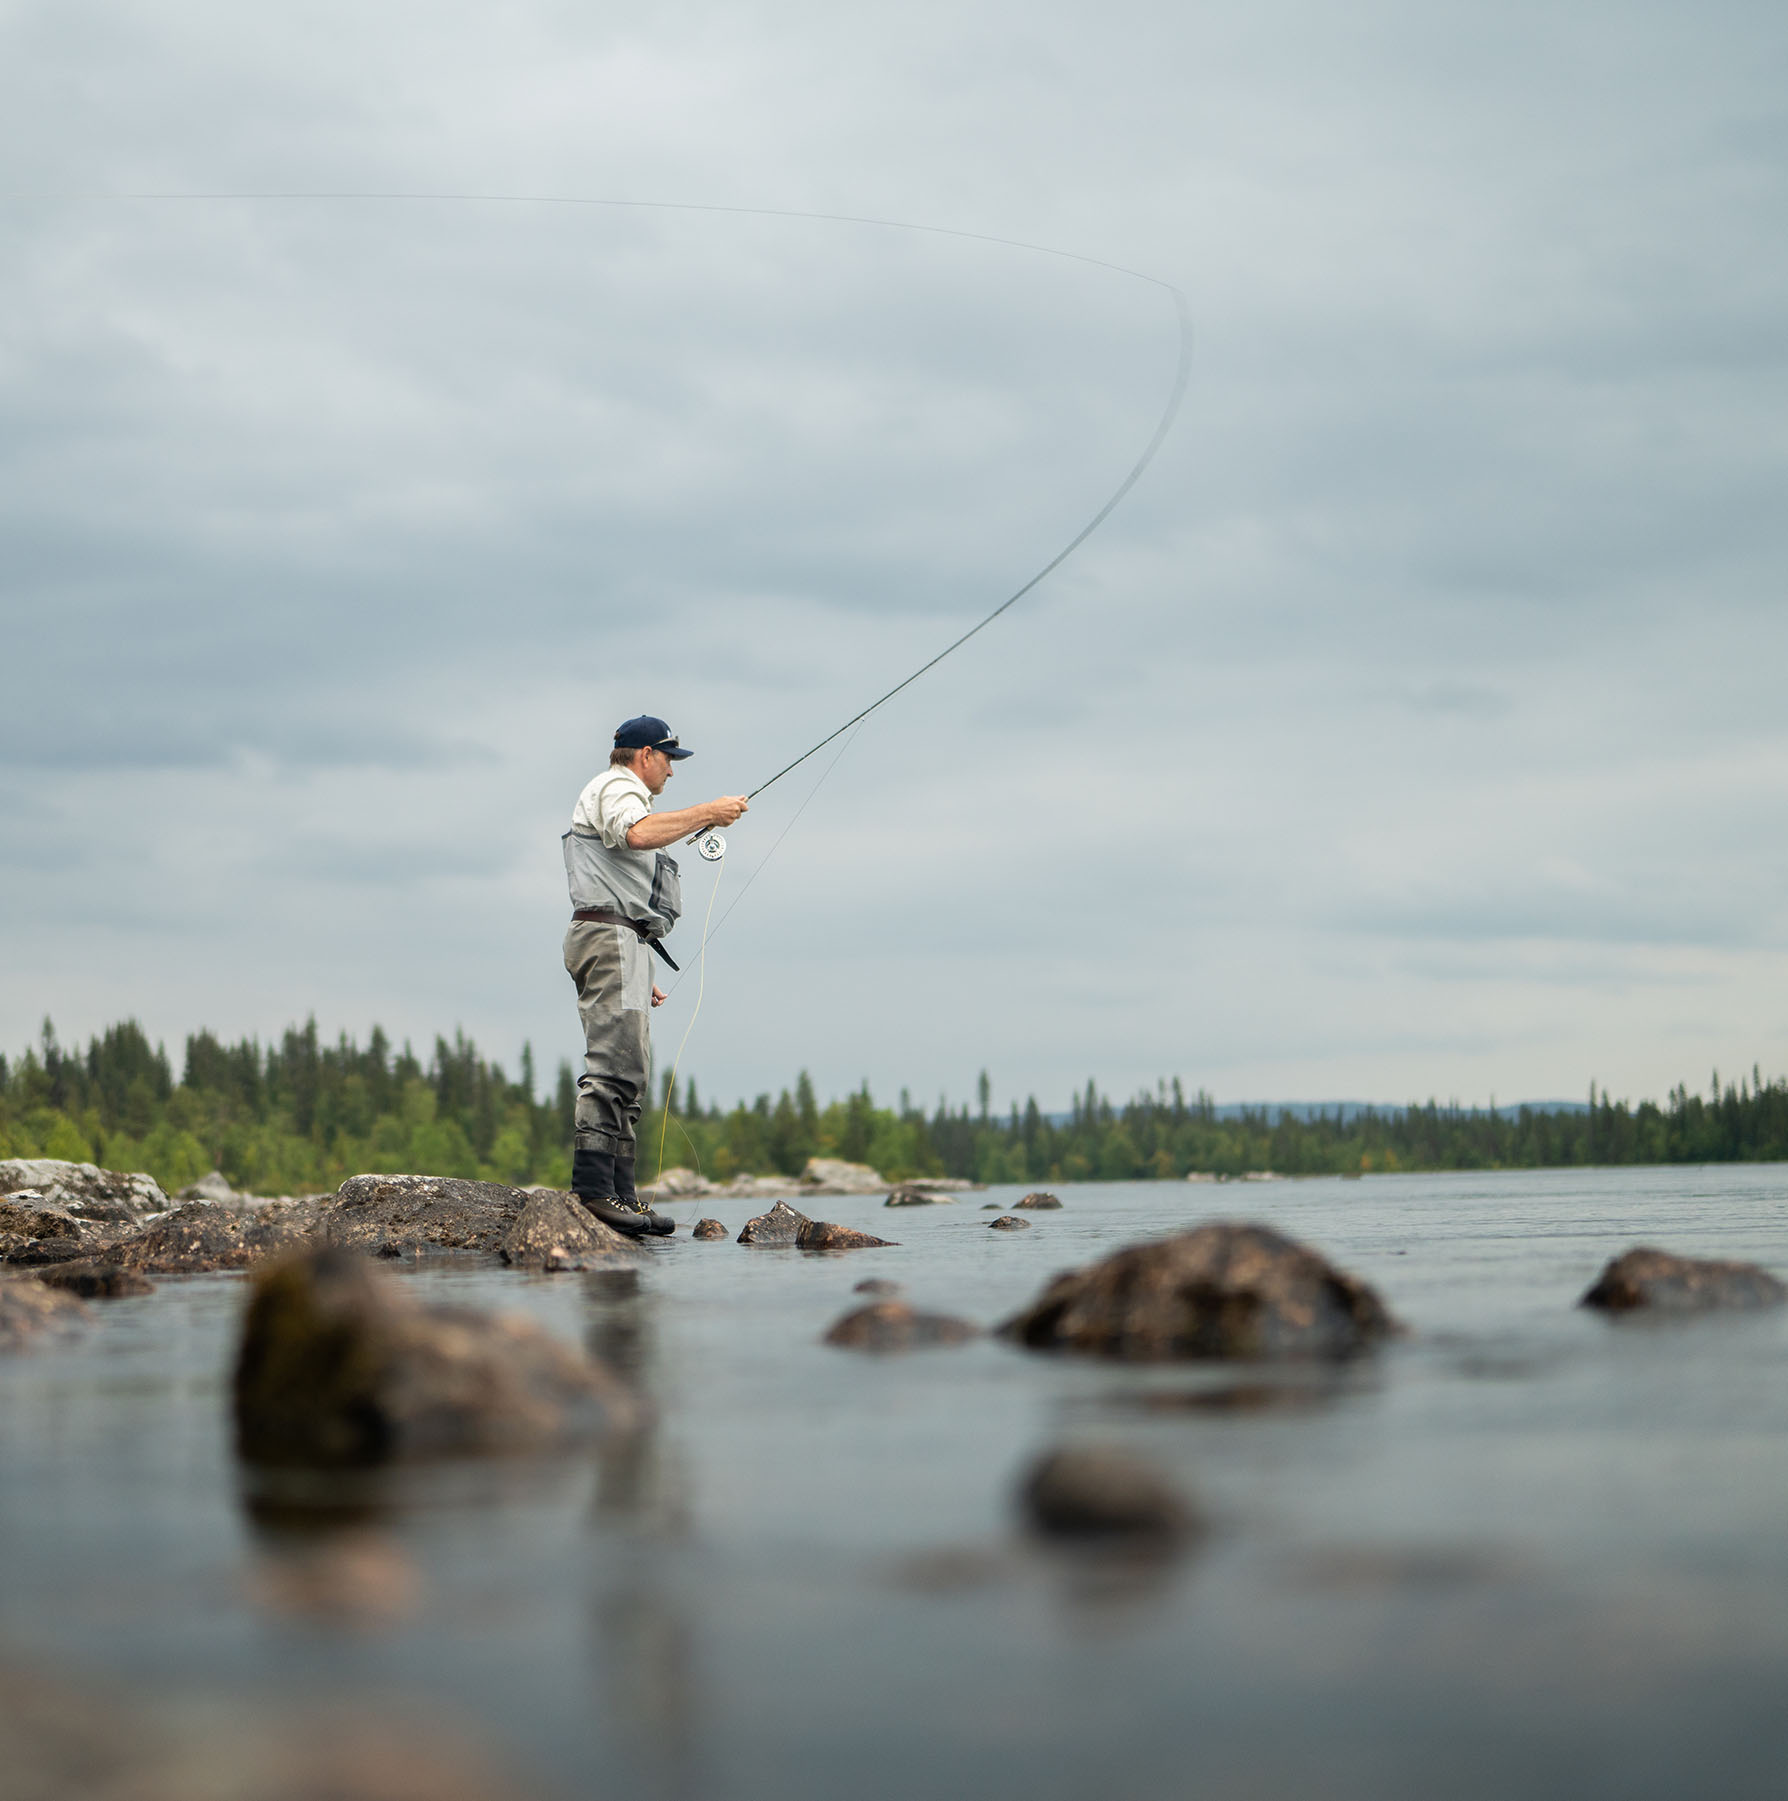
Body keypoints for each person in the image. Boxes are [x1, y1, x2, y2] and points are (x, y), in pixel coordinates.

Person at [562, 715, 747, 1238]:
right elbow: (637, 835)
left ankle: (622, 1195)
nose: (671, 770)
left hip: (625, 943)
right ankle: (594, 1193)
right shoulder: (617, 787)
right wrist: (707, 812)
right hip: (610, 939)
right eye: (668, 759)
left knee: (632, 1073)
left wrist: (638, 965)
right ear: (645, 755)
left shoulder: (622, 792)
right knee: (614, 1066)